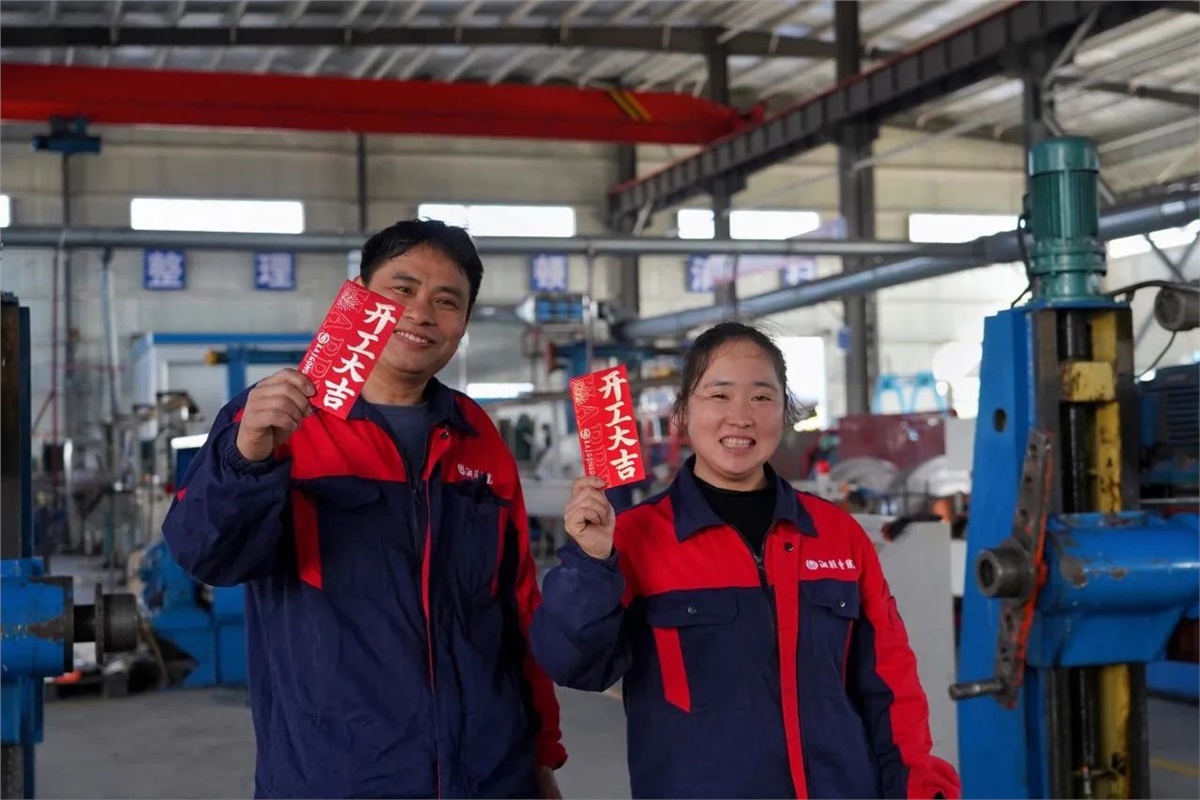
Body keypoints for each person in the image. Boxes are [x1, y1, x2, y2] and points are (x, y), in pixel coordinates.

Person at [162, 219, 566, 799]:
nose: (421, 313)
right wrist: (247, 459)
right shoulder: (277, 420)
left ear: (463, 323)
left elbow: (518, 607)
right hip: (336, 777)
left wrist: (541, 755)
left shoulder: (477, 437)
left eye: (446, 300)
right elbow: (207, 556)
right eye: (402, 288)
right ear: (358, 296)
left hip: (489, 774)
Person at [529, 321, 960, 799]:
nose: (741, 416)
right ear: (682, 411)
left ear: (784, 411)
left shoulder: (836, 536)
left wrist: (919, 788)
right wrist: (591, 563)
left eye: (761, 397)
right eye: (719, 395)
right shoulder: (633, 538)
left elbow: (891, 686)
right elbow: (574, 665)